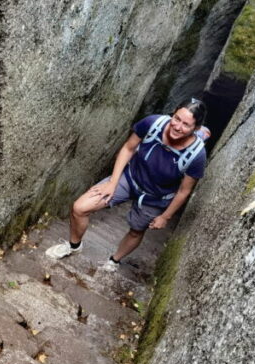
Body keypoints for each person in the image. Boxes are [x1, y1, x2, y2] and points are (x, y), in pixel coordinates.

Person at [46, 99, 211, 270]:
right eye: (176, 119)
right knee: (80, 208)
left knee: (136, 230)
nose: (177, 127)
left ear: (196, 128)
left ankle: (114, 261)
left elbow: (184, 191)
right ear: (173, 112)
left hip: (156, 197)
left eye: (186, 125)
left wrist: (165, 216)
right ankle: (74, 247)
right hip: (130, 177)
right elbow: (128, 148)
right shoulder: (153, 123)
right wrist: (112, 182)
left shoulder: (197, 155)